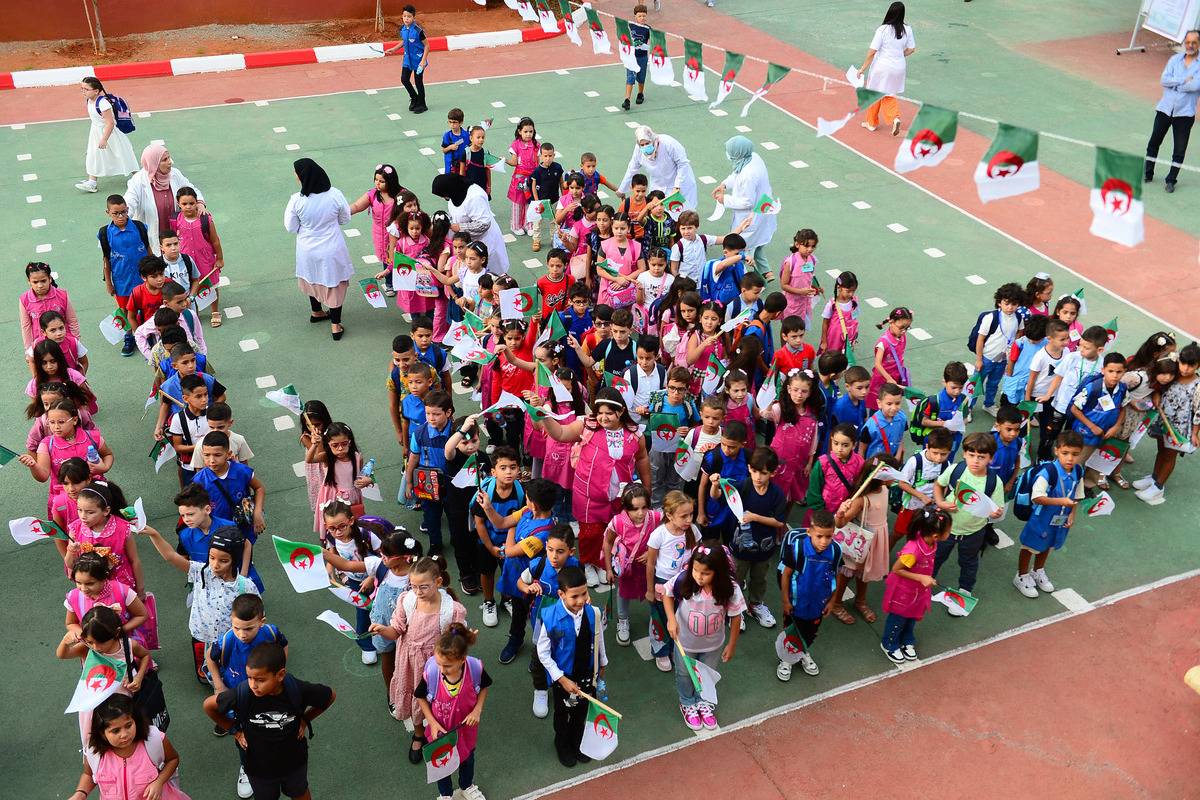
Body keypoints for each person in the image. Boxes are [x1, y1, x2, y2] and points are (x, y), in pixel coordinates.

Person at [537, 387, 651, 584]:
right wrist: (542, 414)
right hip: (588, 496)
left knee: (612, 532)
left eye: (608, 413)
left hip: (619, 496)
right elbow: (561, 433)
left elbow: (642, 459)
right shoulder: (586, 426)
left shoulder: (635, 435)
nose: (603, 418)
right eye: (600, 413)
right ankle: (589, 563)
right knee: (590, 534)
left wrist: (647, 490)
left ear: (621, 411)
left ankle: (605, 562)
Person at [206, 643, 335, 800]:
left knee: (300, 793)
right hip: (258, 768)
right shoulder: (242, 694)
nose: (253, 685)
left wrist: (304, 720)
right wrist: (235, 730)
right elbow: (208, 706)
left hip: (294, 763)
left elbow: (330, 696)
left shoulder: (297, 689)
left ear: (280, 675)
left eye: (260, 680)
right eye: (249, 678)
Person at [140, 524, 258, 682]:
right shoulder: (201, 572)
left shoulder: (245, 586)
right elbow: (170, 556)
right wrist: (154, 533)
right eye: (212, 557)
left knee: (232, 673)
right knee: (204, 673)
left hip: (232, 639)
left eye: (223, 560)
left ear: (234, 560)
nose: (215, 564)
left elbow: (257, 616)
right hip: (201, 636)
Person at [664, 544, 744, 730]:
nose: (699, 577)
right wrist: (671, 620)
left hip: (713, 645)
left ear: (718, 571)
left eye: (705, 573)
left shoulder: (729, 589)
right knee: (684, 674)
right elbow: (667, 594)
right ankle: (687, 702)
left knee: (705, 675)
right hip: (685, 643)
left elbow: (736, 617)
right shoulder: (684, 580)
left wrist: (731, 645)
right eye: (696, 570)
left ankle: (702, 701)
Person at [535, 565, 607, 767]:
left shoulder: (594, 613)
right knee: (562, 713)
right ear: (561, 594)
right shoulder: (550, 617)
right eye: (574, 596)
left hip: (586, 673)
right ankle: (562, 743)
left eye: (584, 593)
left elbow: (599, 640)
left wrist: (603, 663)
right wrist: (561, 678)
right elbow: (543, 652)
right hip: (564, 678)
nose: (581, 600)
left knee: (582, 711)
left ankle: (577, 741)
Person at [415, 624, 490, 800]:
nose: (442, 669)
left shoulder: (475, 668)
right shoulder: (433, 671)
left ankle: (467, 786)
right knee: (442, 764)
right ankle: (445, 794)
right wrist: (432, 722)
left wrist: (477, 710)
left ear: (462, 659)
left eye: (447, 666)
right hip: (439, 731)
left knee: (467, 759)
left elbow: (485, 686)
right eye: (438, 663)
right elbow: (419, 696)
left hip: (466, 729)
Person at [284, 158, 353, 341]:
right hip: (332, 246)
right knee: (334, 283)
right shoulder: (334, 194)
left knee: (311, 278)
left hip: (307, 248)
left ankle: (316, 311)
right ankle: (336, 325)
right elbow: (345, 218)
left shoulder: (296, 200)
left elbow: (290, 227)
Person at [75, 695, 190, 800]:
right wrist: (81, 793)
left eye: (128, 725)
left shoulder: (153, 739)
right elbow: (88, 775)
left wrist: (159, 782)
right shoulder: (94, 752)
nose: (124, 734)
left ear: (136, 721)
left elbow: (173, 759)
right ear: (102, 734)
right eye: (115, 731)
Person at [1014, 431, 1084, 598]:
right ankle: (1021, 575)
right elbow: (1037, 497)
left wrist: (1072, 514)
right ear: (1056, 450)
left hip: (1060, 518)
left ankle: (1038, 571)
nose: (1070, 459)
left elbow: (1076, 496)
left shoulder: (1078, 471)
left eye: (1075, 454)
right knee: (1030, 546)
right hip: (1041, 518)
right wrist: (1061, 502)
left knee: (1049, 544)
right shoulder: (1048, 472)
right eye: (1065, 453)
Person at [777, 510, 842, 679]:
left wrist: (832, 601)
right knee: (791, 629)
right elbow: (786, 574)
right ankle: (787, 659)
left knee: (810, 631)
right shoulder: (797, 549)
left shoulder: (835, 551)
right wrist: (785, 600)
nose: (824, 541)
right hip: (795, 602)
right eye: (819, 536)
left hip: (818, 603)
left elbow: (837, 576)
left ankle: (803, 651)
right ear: (809, 532)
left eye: (829, 536)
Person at [880, 508, 951, 663]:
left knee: (912, 616)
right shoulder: (913, 551)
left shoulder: (930, 542)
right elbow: (896, 569)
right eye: (948, 530)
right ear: (936, 535)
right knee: (898, 618)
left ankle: (906, 639)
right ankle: (889, 643)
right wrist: (921, 577)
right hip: (903, 592)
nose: (950, 532)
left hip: (917, 591)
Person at [1144, 29, 1200, 193]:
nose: (1190, 45)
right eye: (1188, 42)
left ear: (1199, 45)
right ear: (1184, 43)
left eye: (1194, 42)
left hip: (1184, 115)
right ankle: (1148, 173)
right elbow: (1164, 80)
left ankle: (1171, 180)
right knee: (1153, 143)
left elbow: (1195, 86)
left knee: (1179, 150)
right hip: (1164, 109)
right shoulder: (1174, 59)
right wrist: (1183, 80)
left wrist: (1175, 83)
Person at [713, 136, 778, 274]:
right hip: (763, 207)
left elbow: (746, 201)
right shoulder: (752, 157)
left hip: (750, 216)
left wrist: (725, 199)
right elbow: (736, 173)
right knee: (758, 242)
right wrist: (724, 184)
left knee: (742, 248)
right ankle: (767, 272)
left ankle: (754, 279)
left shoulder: (748, 175)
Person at [124, 144, 204, 251]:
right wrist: (123, 219)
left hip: (175, 237)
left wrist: (200, 203)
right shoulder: (138, 180)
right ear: (154, 162)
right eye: (164, 160)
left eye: (169, 158)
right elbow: (129, 202)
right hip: (152, 238)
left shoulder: (175, 174)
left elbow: (192, 190)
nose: (169, 162)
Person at [431, 174, 510, 275]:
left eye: (443, 194)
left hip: (485, 241)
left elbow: (483, 224)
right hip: (468, 244)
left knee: (492, 275)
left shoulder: (475, 197)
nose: (443, 197)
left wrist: (461, 227)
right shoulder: (454, 194)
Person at [858, 1, 917, 137]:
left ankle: (884, 120)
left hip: (882, 68)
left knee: (879, 94)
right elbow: (912, 49)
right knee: (884, 93)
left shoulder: (882, 30)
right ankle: (876, 121)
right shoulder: (907, 29)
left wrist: (862, 68)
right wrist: (899, 55)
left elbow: (872, 51)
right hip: (899, 68)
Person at [75, 78, 138, 193]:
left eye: (86, 89)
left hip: (110, 134)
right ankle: (92, 182)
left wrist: (104, 139)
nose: (83, 91)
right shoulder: (89, 100)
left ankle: (138, 177)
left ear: (96, 91)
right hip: (96, 132)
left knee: (123, 155)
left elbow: (110, 123)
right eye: (82, 89)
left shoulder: (103, 103)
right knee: (93, 156)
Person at [617, 125, 699, 209]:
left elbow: (683, 163)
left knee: (684, 215)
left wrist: (677, 186)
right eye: (642, 144)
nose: (645, 146)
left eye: (647, 143)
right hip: (658, 186)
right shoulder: (639, 149)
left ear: (652, 140)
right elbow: (632, 168)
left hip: (679, 184)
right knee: (658, 213)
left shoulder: (668, 143)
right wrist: (622, 189)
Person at [388, 5, 429, 114]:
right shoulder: (403, 29)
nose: (406, 19)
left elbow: (427, 46)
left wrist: (423, 61)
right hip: (407, 60)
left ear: (413, 17)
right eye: (404, 16)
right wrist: (394, 49)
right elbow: (404, 41)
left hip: (418, 61)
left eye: (409, 16)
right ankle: (414, 98)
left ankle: (422, 104)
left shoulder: (418, 31)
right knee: (404, 79)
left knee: (418, 81)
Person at [621, 5, 651, 110]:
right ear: (635, 16)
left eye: (644, 16)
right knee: (630, 77)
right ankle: (627, 99)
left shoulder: (647, 29)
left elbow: (653, 42)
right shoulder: (630, 26)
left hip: (642, 57)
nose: (642, 18)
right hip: (631, 58)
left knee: (641, 78)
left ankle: (640, 93)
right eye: (639, 16)